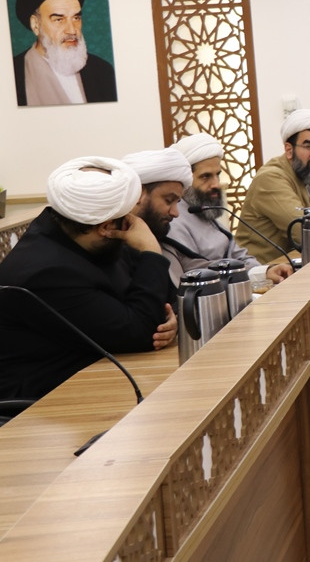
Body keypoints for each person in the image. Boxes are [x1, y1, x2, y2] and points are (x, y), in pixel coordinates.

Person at [0, 156, 177, 402]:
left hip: (104, 375)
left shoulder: (91, 239)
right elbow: (140, 332)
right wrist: (151, 251)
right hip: (44, 402)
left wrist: (170, 321)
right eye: (128, 218)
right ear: (106, 227)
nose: (135, 225)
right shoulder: (46, 273)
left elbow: (161, 304)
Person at [162, 133, 294, 287]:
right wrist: (256, 274)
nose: (216, 184)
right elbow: (196, 270)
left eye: (217, 175)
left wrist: (266, 272)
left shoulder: (202, 209)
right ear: (185, 180)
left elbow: (239, 256)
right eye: (205, 177)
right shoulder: (174, 218)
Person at [236, 108, 310, 263]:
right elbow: (304, 232)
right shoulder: (270, 178)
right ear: (289, 150)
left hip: (302, 264)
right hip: (264, 271)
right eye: (308, 147)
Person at [11, 0, 118, 106]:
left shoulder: (102, 71)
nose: (72, 30)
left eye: (76, 18)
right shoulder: (11, 74)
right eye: (59, 19)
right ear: (36, 25)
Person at [122, 147, 193, 245]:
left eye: (177, 202)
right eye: (169, 200)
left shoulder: (168, 246)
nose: (176, 213)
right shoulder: (109, 247)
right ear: (138, 193)